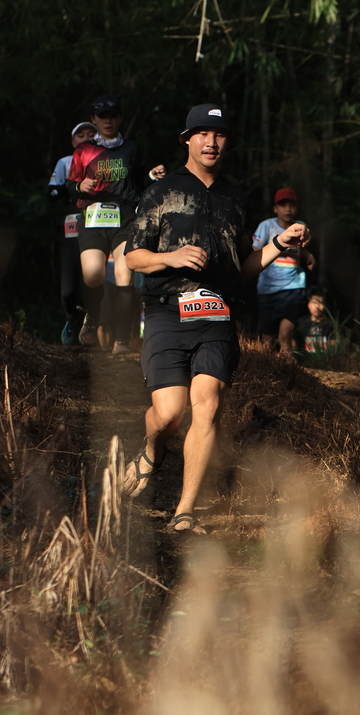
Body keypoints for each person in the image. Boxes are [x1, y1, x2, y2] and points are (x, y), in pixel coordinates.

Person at [122, 102, 310, 532]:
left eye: (220, 134)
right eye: (203, 134)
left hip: (217, 313)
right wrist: (171, 256)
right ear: (187, 140)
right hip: (167, 310)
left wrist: (280, 243)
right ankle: (152, 449)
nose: (212, 142)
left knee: (206, 408)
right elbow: (133, 256)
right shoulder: (162, 190)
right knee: (169, 413)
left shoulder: (235, 198)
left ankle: (184, 511)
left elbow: (244, 266)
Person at [66, 94, 164, 350]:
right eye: (102, 116)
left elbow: (140, 182)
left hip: (125, 218)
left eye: (112, 116)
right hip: (93, 218)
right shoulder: (84, 151)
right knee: (92, 276)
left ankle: (121, 339)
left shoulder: (131, 149)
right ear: (94, 119)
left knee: (124, 276)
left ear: (120, 118)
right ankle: (92, 315)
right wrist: (79, 186)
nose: (108, 121)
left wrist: (152, 175)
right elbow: (70, 185)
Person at [48, 121, 97, 345]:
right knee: (68, 288)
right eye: (80, 135)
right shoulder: (65, 162)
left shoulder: (106, 160)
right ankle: (72, 317)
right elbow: (52, 194)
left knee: (95, 279)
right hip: (72, 227)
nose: (86, 138)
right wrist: (73, 186)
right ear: (72, 141)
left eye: (90, 134)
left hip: (99, 226)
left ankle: (97, 325)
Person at [252, 187, 316, 353]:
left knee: (285, 336)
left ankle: (289, 369)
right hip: (267, 289)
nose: (288, 209)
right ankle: (268, 368)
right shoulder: (266, 226)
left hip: (292, 288)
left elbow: (301, 248)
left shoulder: (300, 226)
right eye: (283, 205)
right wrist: (279, 246)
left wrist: (308, 255)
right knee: (267, 339)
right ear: (275, 208)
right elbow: (255, 250)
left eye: (292, 205)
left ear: (296, 208)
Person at [295, 285, 336, 355]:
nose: (317, 306)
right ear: (308, 304)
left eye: (321, 303)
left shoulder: (331, 325)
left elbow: (334, 345)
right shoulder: (300, 323)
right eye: (314, 302)